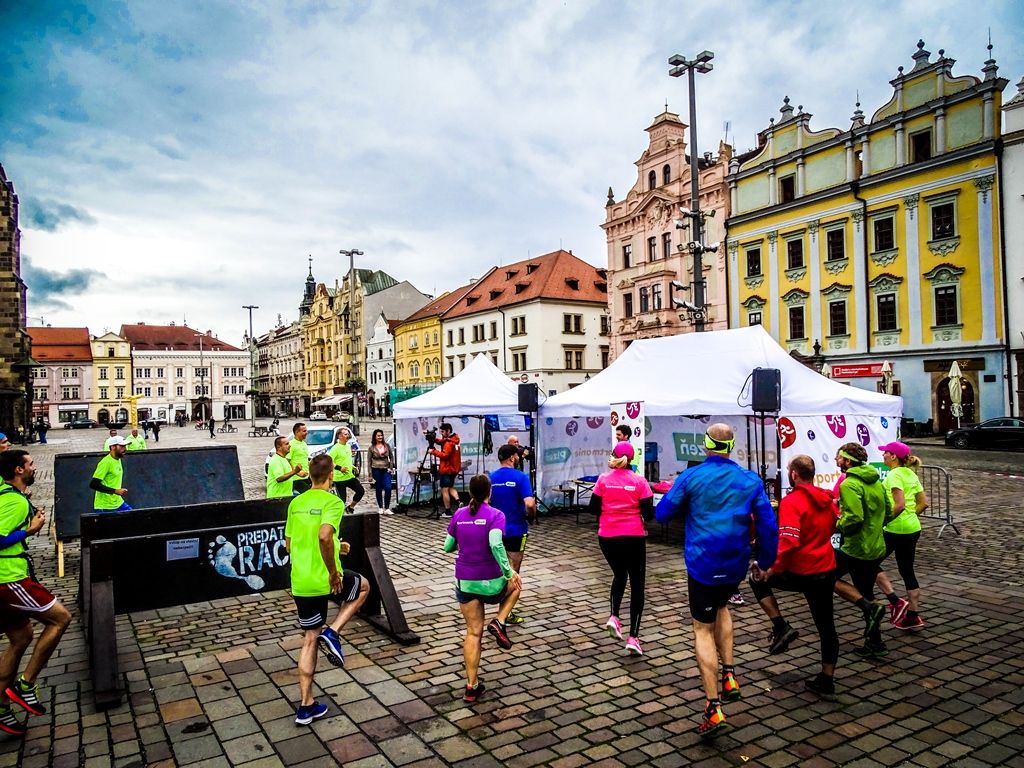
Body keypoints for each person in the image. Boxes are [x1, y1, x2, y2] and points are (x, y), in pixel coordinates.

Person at [655, 423, 778, 736]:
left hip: (703, 563)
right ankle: (730, 674)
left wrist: (685, 499)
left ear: (706, 445)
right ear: (731, 445)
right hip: (735, 563)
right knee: (722, 607)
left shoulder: (692, 476)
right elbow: (768, 524)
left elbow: (663, 514)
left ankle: (713, 708)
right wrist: (766, 562)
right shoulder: (750, 479)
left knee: (702, 629)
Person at [285, 455, 370, 725]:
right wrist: (334, 571)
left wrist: (338, 546)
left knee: (310, 638)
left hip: (301, 580)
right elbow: (323, 534)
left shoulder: (296, 502)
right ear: (331, 475)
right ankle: (333, 632)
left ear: (309, 475)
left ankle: (305, 705)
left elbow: (289, 545)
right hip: (326, 578)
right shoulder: (333, 502)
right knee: (364, 586)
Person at [749, 455, 840, 701]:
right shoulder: (828, 500)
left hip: (803, 570)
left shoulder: (793, 502)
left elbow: (789, 540)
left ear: (793, 475)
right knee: (826, 626)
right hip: (825, 567)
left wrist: (771, 567)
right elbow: (834, 527)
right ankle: (827, 678)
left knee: (756, 579)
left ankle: (781, 625)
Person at [0, 449, 73, 736]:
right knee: (61, 619)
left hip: (6, 580)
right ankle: (25, 684)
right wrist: (29, 531)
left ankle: (2, 708)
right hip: (9, 579)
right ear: (19, 470)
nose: (33, 468)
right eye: (30, 464)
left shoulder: (7, 492)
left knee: (21, 638)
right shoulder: (14, 502)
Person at [444, 474, 522, 704]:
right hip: (492, 581)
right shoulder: (496, 515)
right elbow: (496, 542)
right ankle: (500, 620)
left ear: (470, 491)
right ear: (490, 493)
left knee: (472, 633)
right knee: (516, 586)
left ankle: (471, 685)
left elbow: (447, 546)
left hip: (466, 581)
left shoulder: (458, 514)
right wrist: (510, 572)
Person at [589, 441, 653, 655]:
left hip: (607, 537)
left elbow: (592, 509)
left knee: (619, 575)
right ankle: (633, 637)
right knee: (637, 584)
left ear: (613, 456)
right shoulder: (640, 481)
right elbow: (650, 514)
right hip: (633, 537)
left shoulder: (603, 480)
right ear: (632, 459)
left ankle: (614, 616)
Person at [832, 442, 894, 659]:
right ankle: (876, 642)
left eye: (839, 457)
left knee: (826, 577)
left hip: (855, 547)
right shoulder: (876, 480)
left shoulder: (849, 485)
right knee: (866, 591)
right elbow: (889, 510)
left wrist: (838, 524)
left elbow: (854, 518)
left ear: (848, 461)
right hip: (875, 546)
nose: (836, 461)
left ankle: (869, 609)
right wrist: (876, 526)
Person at [875, 441, 928, 631]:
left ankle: (895, 600)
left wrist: (883, 523)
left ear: (893, 456)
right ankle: (913, 616)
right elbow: (923, 503)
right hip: (912, 528)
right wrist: (911, 518)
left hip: (895, 529)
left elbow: (900, 505)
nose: (883, 456)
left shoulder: (895, 475)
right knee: (907, 570)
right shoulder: (910, 474)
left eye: (885, 453)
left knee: (869, 563)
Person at [489, 444, 536, 625]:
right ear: (512, 458)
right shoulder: (521, 477)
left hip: (495, 531)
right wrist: (531, 518)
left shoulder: (491, 477)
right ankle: (504, 614)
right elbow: (530, 504)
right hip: (517, 531)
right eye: (517, 456)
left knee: (501, 570)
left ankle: (501, 609)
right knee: (514, 572)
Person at [88, 436, 131, 513]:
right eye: (122, 446)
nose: (125, 449)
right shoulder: (105, 462)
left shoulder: (118, 459)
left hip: (118, 503)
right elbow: (93, 484)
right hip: (105, 507)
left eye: (125, 446)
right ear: (113, 447)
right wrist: (115, 491)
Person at [429, 423, 462, 519]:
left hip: (447, 469)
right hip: (453, 469)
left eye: (443, 432)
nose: (442, 434)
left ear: (448, 431)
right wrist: (434, 439)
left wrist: (433, 452)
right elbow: (443, 442)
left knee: (444, 490)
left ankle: (447, 511)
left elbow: (445, 455)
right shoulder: (453, 439)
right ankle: (458, 501)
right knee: (450, 487)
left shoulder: (449, 443)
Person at [328, 427, 365, 509]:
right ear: (339, 436)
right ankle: (339, 515)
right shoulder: (335, 448)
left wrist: (353, 466)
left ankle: (351, 507)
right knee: (342, 500)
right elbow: (329, 461)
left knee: (360, 491)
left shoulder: (348, 446)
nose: (347, 436)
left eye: (348, 434)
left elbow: (346, 459)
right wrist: (339, 468)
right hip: (339, 479)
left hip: (349, 476)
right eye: (345, 434)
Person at [368, 429, 395, 515]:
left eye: (381, 435)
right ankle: (380, 507)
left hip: (386, 469)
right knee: (379, 488)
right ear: (375, 437)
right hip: (376, 469)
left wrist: (391, 467)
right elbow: (369, 461)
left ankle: (387, 507)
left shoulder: (387, 445)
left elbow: (391, 457)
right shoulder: (371, 447)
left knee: (388, 487)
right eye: (378, 435)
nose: (380, 437)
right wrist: (370, 475)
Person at [289, 423, 312, 494]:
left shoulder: (304, 444)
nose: (306, 433)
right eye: (304, 431)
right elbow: (287, 461)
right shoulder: (291, 444)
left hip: (306, 476)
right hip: (296, 478)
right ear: (297, 432)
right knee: (309, 495)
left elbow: (305, 459)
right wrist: (297, 473)